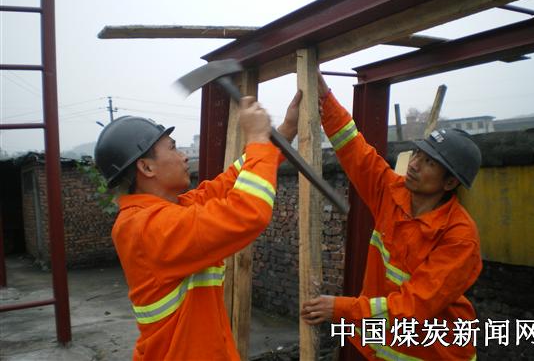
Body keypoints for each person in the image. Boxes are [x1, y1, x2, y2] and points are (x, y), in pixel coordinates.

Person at [94, 92, 302, 361]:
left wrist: (285, 130)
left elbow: (228, 183)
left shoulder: (168, 211)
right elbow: (246, 213)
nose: (183, 157)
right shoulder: (149, 227)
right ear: (146, 167)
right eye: (173, 148)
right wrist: (257, 139)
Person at [301, 73, 482, 360]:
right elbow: (356, 152)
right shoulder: (393, 193)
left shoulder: (459, 237)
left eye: (429, 163)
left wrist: (341, 308)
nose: (414, 164)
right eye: (418, 154)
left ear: (450, 183)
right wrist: (325, 98)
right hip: (384, 348)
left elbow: (413, 306)